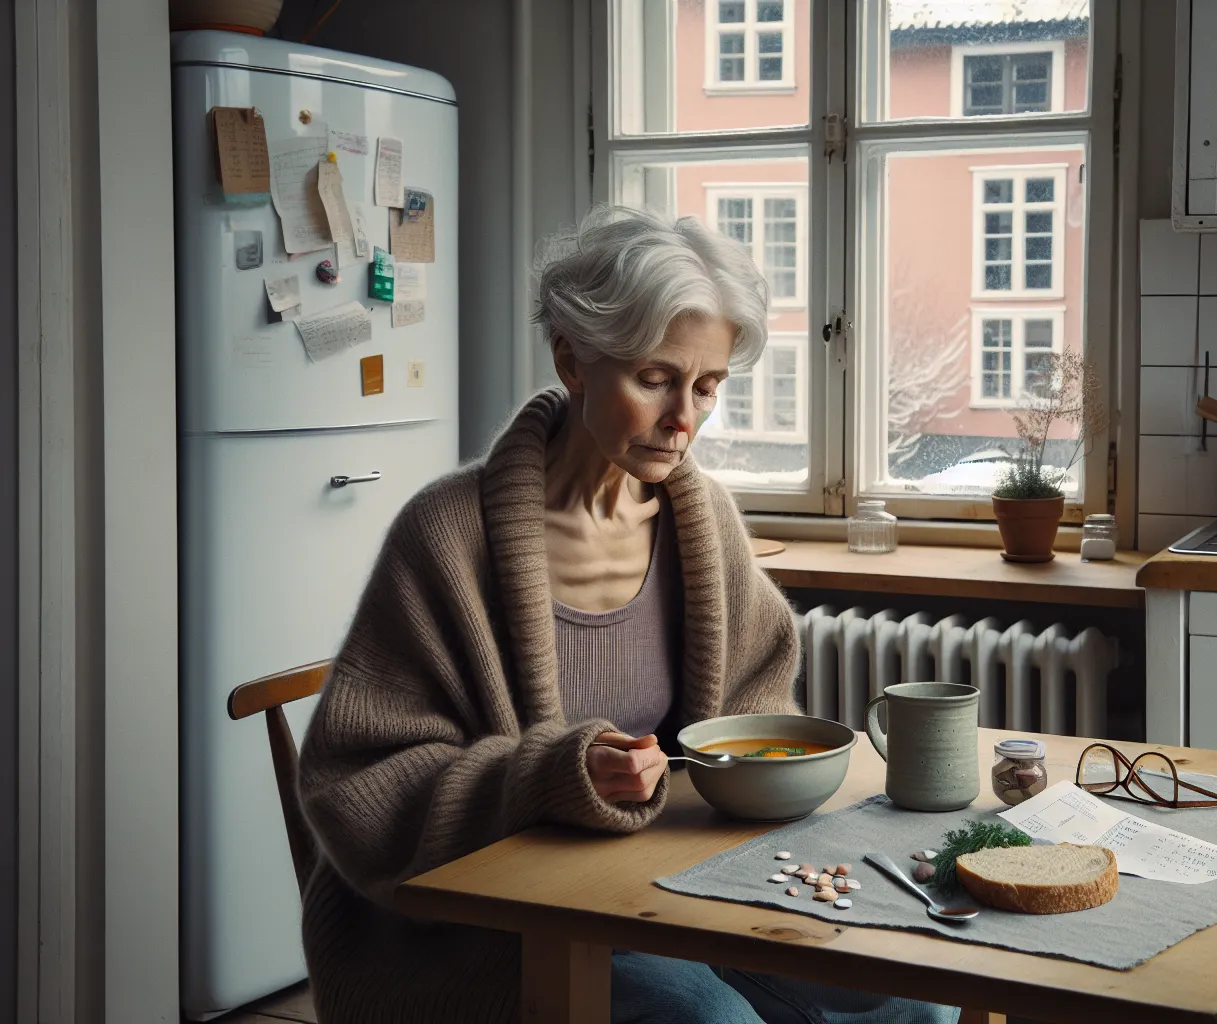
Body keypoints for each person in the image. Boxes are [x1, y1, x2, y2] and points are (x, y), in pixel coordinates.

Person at [296, 204, 959, 1024]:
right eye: (655, 378)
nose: (684, 417)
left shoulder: (703, 522)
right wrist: (550, 773)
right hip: (489, 933)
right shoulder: (447, 535)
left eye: (707, 387)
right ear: (571, 358)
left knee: (916, 1006)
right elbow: (358, 787)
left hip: (673, 897)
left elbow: (754, 710)